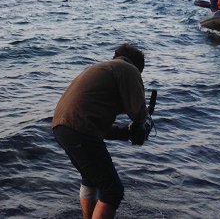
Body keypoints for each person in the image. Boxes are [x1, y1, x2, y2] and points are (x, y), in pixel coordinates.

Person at [52, 44, 149, 219]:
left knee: (91, 180)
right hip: (79, 127)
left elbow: (100, 129)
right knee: (112, 191)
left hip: (61, 127)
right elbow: (138, 111)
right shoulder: (128, 68)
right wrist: (141, 125)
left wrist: (126, 133)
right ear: (138, 67)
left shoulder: (102, 70)